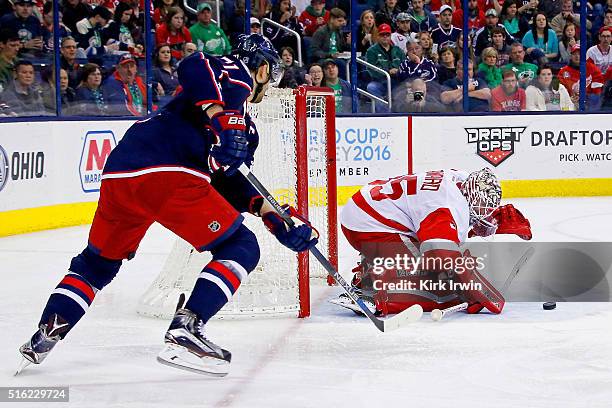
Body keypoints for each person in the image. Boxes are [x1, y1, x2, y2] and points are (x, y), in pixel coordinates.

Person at [17, 34, 317, 377]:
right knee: (241, 246)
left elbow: (229, 181)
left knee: (96, 264)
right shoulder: (233, 75)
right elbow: (193, 63)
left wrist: (273, 216)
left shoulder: (244, 129)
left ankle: (46, 333)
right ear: (262, 69)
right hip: (168, 171)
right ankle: (187, 327)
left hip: (121, 174)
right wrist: (222, 116)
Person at [330, 168, 531, 316]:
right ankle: (374, 293)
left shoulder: (459, 179)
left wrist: (489, 218)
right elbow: (443, 259)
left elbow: (457, 214)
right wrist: (476, 291)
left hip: (369, 207)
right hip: (370, 226)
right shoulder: (446, 208)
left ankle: (378, 266)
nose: (483, 217)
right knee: (439, 291)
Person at [365, 23, 404, 112]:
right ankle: (385, 113)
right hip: (380, 81)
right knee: (371, 87)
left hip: (397, 81)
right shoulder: (371, 51)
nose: (385, 37)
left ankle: (402, 113)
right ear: (378, 36)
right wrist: (388, 71)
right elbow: (371, 70)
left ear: (390, 36)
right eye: (382, 35)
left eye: (387, 34)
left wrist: (398, 71)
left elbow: (404, 66)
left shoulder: (398, 50)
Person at [558, 43, 605, 110]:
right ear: (571, 56)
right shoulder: (563, 72)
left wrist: (585, 98)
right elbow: (561, 91)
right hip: (570, 102)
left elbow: (597, 91)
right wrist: (569, 98)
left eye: (579, 54)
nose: (577, 56)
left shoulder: (593, 69)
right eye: (574, 54)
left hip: (589, 103)